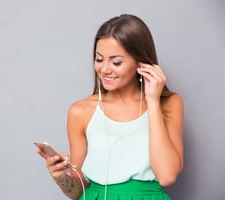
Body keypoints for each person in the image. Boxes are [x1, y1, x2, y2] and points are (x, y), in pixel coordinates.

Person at [37, 14, 183, 200]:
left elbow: (167, 176)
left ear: (141, 62)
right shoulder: (80, 111)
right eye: (99, 59)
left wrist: (153, 101)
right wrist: (60, 178)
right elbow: (77, 191)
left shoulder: (169, 104)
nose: (104, 69)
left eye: (116, 62)